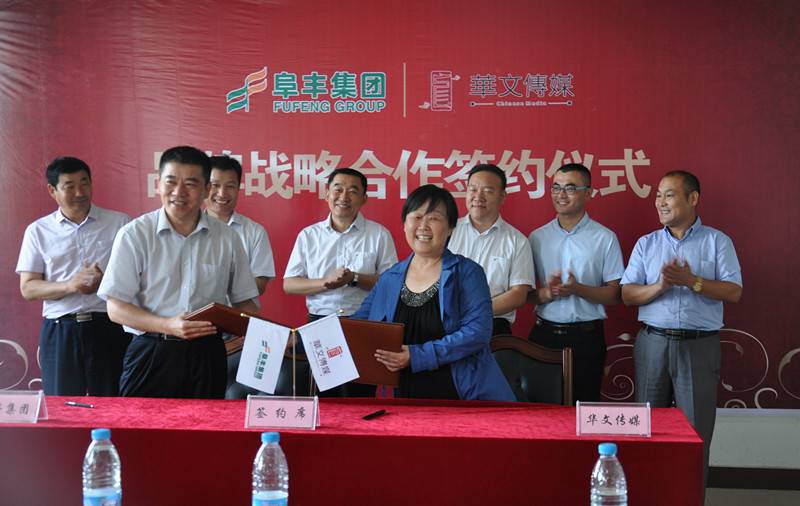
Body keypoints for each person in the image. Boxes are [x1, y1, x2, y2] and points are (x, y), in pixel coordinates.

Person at [97, 146, 260, 399]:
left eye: (191, 184)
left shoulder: (227, 238)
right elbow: (115, 308)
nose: (179, 192)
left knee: (207, 423)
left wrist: (269, 335)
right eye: (171, 182)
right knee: (143, 424)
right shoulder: (134, 235)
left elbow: (245, 303)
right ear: (158, 184)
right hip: (151, 350)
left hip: (207, 354)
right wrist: (168, 325)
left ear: (206, 190)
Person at [621, 170, 742, 484]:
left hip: (698, 346)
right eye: (658, 195)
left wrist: (692, 281)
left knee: (695, 433)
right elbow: (627, 294)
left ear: (693, 198)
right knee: (645, 429)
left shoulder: (717, 241)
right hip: (653, 343)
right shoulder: (646, 243)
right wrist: (660, 287)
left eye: (669, 195)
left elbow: (734, 291)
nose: (660, 202)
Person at [352, 184, 515, 401]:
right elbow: (357, 325)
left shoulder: (467, 272)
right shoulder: (389, 278)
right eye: (417, 217)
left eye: (434, 218)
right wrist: (311, 338)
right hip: (400, 396)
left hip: (459, 395)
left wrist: (417, 356)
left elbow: (478, 332)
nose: (423, 226)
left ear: (450, 228)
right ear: (404, 224)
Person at [16, 156, 131, 396]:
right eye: (70, 186)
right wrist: (71, 285)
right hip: (61, 330)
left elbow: (137, 277)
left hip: (108, 326)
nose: (80, 192)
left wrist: (104, 283)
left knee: (113, 402)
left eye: (84, 183)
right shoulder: (38, 231)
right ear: (52, 190)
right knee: (61, 404)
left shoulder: (120, 223)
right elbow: (28, 288)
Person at [283, 168, 397, 397]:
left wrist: (354, 278)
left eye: (353, 191)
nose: (344, 196)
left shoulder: (379, 235)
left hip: (362, 325)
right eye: (338, 189)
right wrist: (325, 283)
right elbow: (289, 284)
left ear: (364, 198)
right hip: (319, 324)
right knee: (322, 399)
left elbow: (392, 285)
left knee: (359, 399)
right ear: (327, 194)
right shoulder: (309, 236)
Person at [527, 163, 624, 403]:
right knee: (541, 409)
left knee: (584, 407)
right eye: (556, 187)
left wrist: (578, 289)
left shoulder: (605, 238)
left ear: (588, 193)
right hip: (544, 335)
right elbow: (525, 295)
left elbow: (616, 295)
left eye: (570, 188)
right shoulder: (537, 237)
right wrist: (549, 293)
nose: (561, 194)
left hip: (586, 337)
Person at [205, 155, 276, 399]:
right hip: (199, 327)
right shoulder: (189, 229)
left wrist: (219, 289)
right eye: (215, 185)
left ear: (239, 188)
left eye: (230, 186)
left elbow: (260, 283)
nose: (221, 193)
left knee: (239, 399)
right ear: (205, 186)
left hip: (241, 328)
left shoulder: (253, 231)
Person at [448, 164, 534, 336]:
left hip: (494, 327)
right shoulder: (447, 231)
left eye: (487, 191)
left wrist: (474, 312)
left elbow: (518, 294)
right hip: (449, 324)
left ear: (502, 197)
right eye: (473, 189)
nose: (478, 196)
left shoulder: (517, 241)